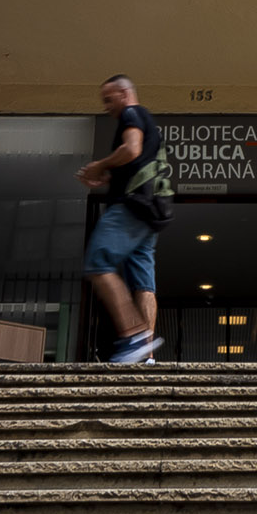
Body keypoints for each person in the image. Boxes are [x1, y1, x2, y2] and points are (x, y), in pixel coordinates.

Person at [76, 74, 169, 364]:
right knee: (144, 284)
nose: (106, 106)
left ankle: (133, 337)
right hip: (151, 213)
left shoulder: (132, 112)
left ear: (124, 93)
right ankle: (147, 356)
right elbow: (137, 162)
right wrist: (108, 174)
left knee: (97, 262)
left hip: (131, 207)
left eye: (108, 98)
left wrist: (99, 164)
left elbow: (131, 149)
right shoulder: (149, 122)